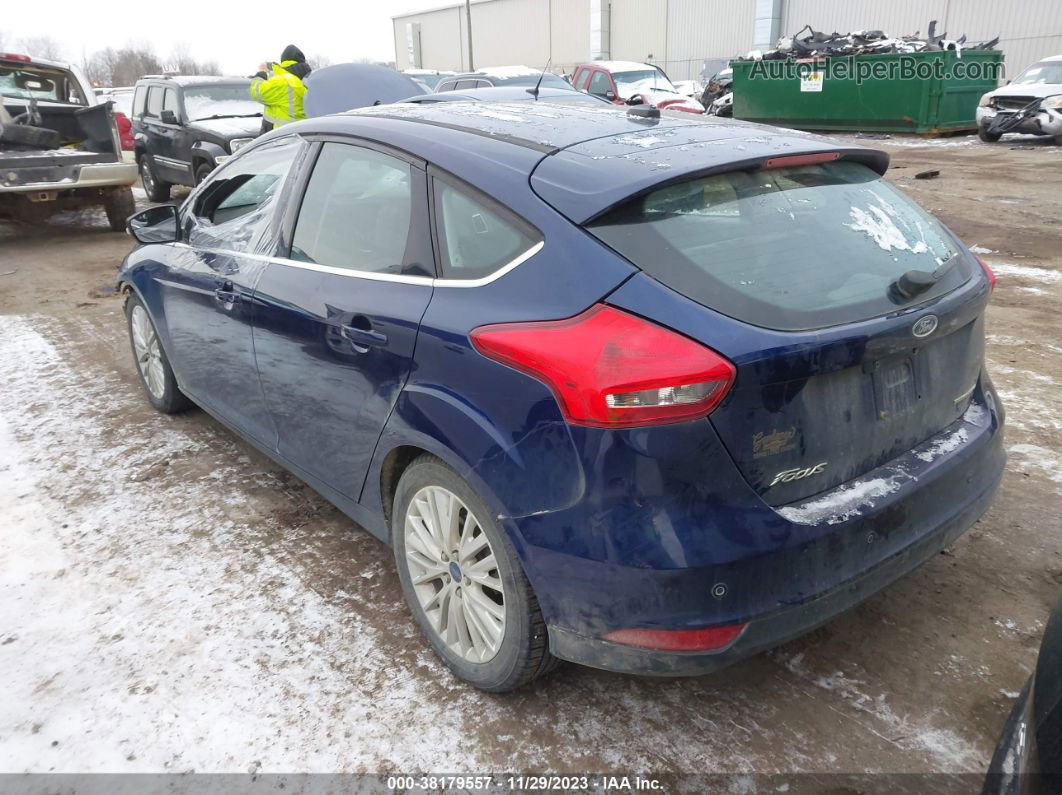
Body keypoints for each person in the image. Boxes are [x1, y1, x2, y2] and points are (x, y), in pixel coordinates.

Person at [249, 45, 312, 135]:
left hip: (279, 137)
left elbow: (257, 93)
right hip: (305, 134)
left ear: (283, 60)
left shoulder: (282, 81)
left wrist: (261, 74)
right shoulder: (308, 79)